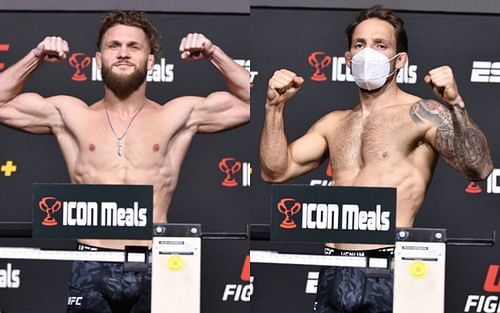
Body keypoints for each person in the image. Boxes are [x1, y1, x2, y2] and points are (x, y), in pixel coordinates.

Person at [0, 11, 249, 313]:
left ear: (151, 61)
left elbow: (253, 102)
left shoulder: (176, 115)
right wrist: (35, 57)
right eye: (113, 45)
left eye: (134, 47)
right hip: (92, 258)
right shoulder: (70, 115)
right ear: (97, 59)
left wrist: (213, 53)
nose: (123, 53)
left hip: (158, 259)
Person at [260, 5, 492, 313]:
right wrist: (274, 108)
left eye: (380, 45)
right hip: (332, 265)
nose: (368, 53)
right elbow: (275, 171)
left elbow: (479, 168)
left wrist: (455, 104)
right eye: (360, 45)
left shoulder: (422, 114)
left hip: (390, 265)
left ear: (400, 60)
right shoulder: (334, 123)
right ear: (348, 59)